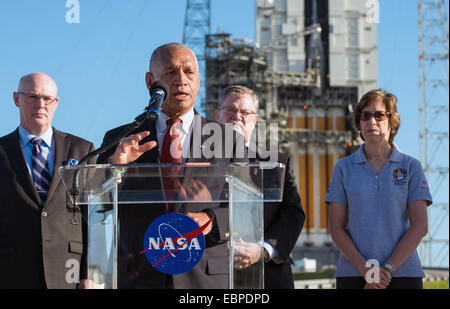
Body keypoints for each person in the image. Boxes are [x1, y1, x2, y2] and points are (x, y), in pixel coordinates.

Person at [96, 43, 246, 289]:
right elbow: (97, 205)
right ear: (150, 81)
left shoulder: (227, 140)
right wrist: (117, 166)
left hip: (204, 277)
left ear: (199, 79)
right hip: (140, 274)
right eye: (170, 72)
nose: (181, 80)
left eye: (189, 72)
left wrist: (209, 219)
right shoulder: (121, 139)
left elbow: (247, 207)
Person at [325, 89, 432, 289]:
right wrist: (366, 270)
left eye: (379, 115)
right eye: (364, 116)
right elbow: (336, 228)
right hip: (353, 274)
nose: (371, 121)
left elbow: (420, 226)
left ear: (392, 122)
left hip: (403, 275)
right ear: (359, 123)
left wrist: (386, 270)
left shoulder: (411, 167)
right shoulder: (343, 168)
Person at [0, 72, 95, 289]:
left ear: (56, 103)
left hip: (68, 272)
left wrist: (89, 272)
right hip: (10, 271)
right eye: (33, 97)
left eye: (47, 99)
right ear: (16, 99)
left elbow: (90, 216)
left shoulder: (83, 150)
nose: (41, 104)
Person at [215, 85, 305, 289]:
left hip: (269, 276)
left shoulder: (277, 163)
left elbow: (293, 214)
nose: (237, 117)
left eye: (245, 112)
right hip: (212, 275)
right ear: (218, 116)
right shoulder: (197, 162)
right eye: (230, 110)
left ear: (254, 120)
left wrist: (263, 249)